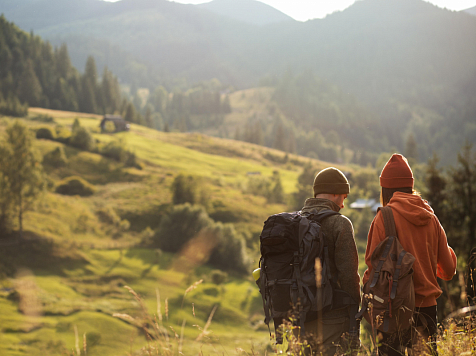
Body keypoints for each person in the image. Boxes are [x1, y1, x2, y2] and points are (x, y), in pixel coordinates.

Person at [362, 154, 457, 356]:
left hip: (392, 311)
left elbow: (372, 268)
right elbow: (448, 271)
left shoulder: (383, 217)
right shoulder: (431, 218)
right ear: (410, 186)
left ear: (385, 189)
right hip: (428, 311)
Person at [299, 167, 361, 355]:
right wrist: (355, 312)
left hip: (299, 318)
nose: (342, 204)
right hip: (333, 317)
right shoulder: (340, 223)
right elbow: (348, 274)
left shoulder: (296, 221)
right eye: (343, 197)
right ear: (334, 193)